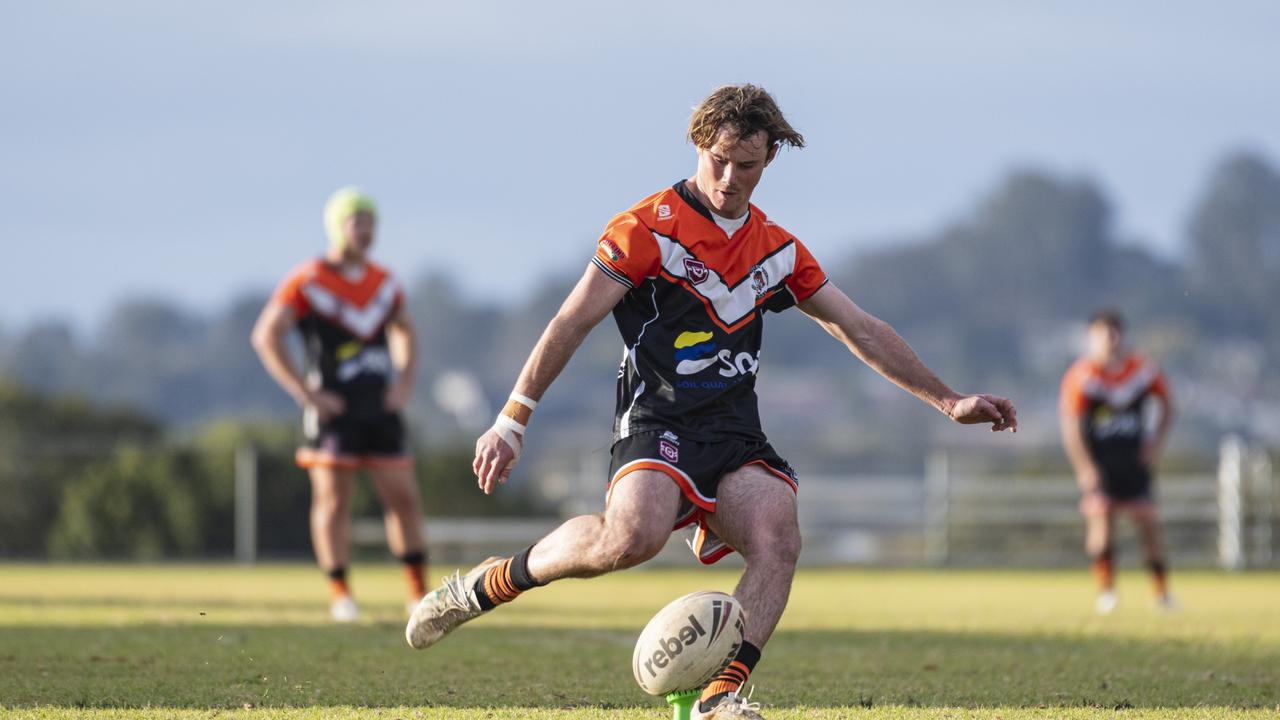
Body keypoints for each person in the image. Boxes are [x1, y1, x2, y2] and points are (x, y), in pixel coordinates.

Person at [405, 85, 1016, 719]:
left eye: (745, 165)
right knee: (630, 540)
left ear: (770, 158)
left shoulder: (776, 250)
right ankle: (484, 586)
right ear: (699, 145)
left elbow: (859, 328)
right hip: (656, 417)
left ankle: (719, 698)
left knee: (779, 538)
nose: (728, 178)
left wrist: (949, 401)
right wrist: (512, 417)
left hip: (732, 431)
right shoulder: (644, 228)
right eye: (717, 159)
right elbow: (571, 319)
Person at [252, 187, 428, 622]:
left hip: (379, 407)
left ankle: (417, 593)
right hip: (332, 411)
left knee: (403, 499)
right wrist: (305, 393)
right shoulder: (309, 280)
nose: (366, 231)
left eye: (371, 222)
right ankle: (340, 595)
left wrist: (404, 382)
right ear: (337, 227)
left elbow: (405, 331)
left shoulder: (385, 283)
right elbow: (266, 335)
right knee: (332, 504)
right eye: (357, 222)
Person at [1060, 309, 1175, 614]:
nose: (1110, 339)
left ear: (1121, 335)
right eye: (1102, 333)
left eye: (1114, 332)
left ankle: (1162, 593)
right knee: (1101, 524)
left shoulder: (1142, 370)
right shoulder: (1083, 376)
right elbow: (1071, 425)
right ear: (1091, 337)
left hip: (1135, 461)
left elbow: (1168, 406)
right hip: (1101, 463)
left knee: (1148, 524)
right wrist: (1084, 467)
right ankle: (1106, 591)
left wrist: (1156, 444)